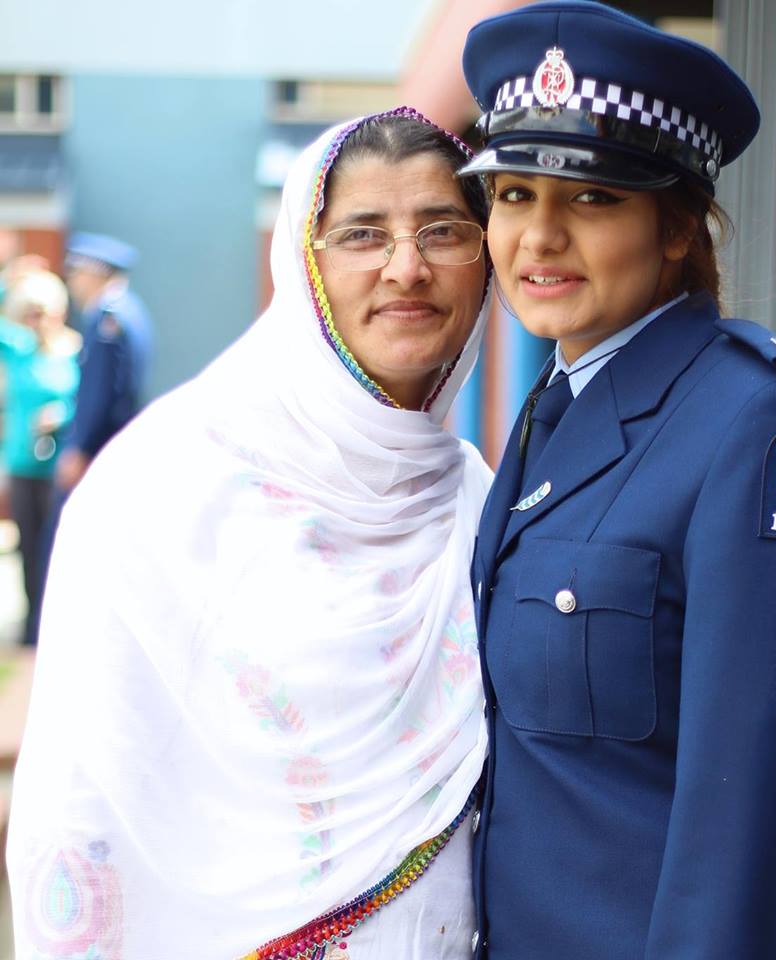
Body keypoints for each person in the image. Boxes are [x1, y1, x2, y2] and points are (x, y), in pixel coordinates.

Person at [7, 108, 492, 960]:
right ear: (304, 265)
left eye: (444, 230)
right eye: (362, 234)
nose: (406, 268)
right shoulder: (161, 490)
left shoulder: (482, 502)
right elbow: (83, 808)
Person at [459, 3, 776, 958]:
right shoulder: (555, 411)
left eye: (592, 199)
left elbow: (770, 823)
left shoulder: (767, 426)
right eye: (514, 195)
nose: (538, 238)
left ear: (681, 225)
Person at [0, 269, 80, 645]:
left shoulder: (76, 350)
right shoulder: (18, 351)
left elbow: (89, 402)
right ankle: (32, 625)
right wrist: (9, 280)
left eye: (43, 312)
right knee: (26, 544)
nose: (37, 321)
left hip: (58, 466)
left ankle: (57, 621)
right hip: (21, 462)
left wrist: (60, 415)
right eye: (29, 313)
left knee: (57, 545)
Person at [58, 231, 153, 494]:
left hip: (101, 447)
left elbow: (98, 390)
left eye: (76, 273)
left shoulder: (108, 317)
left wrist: (81, 447)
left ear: (95, 273)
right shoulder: (128, 309)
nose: (72, 282)